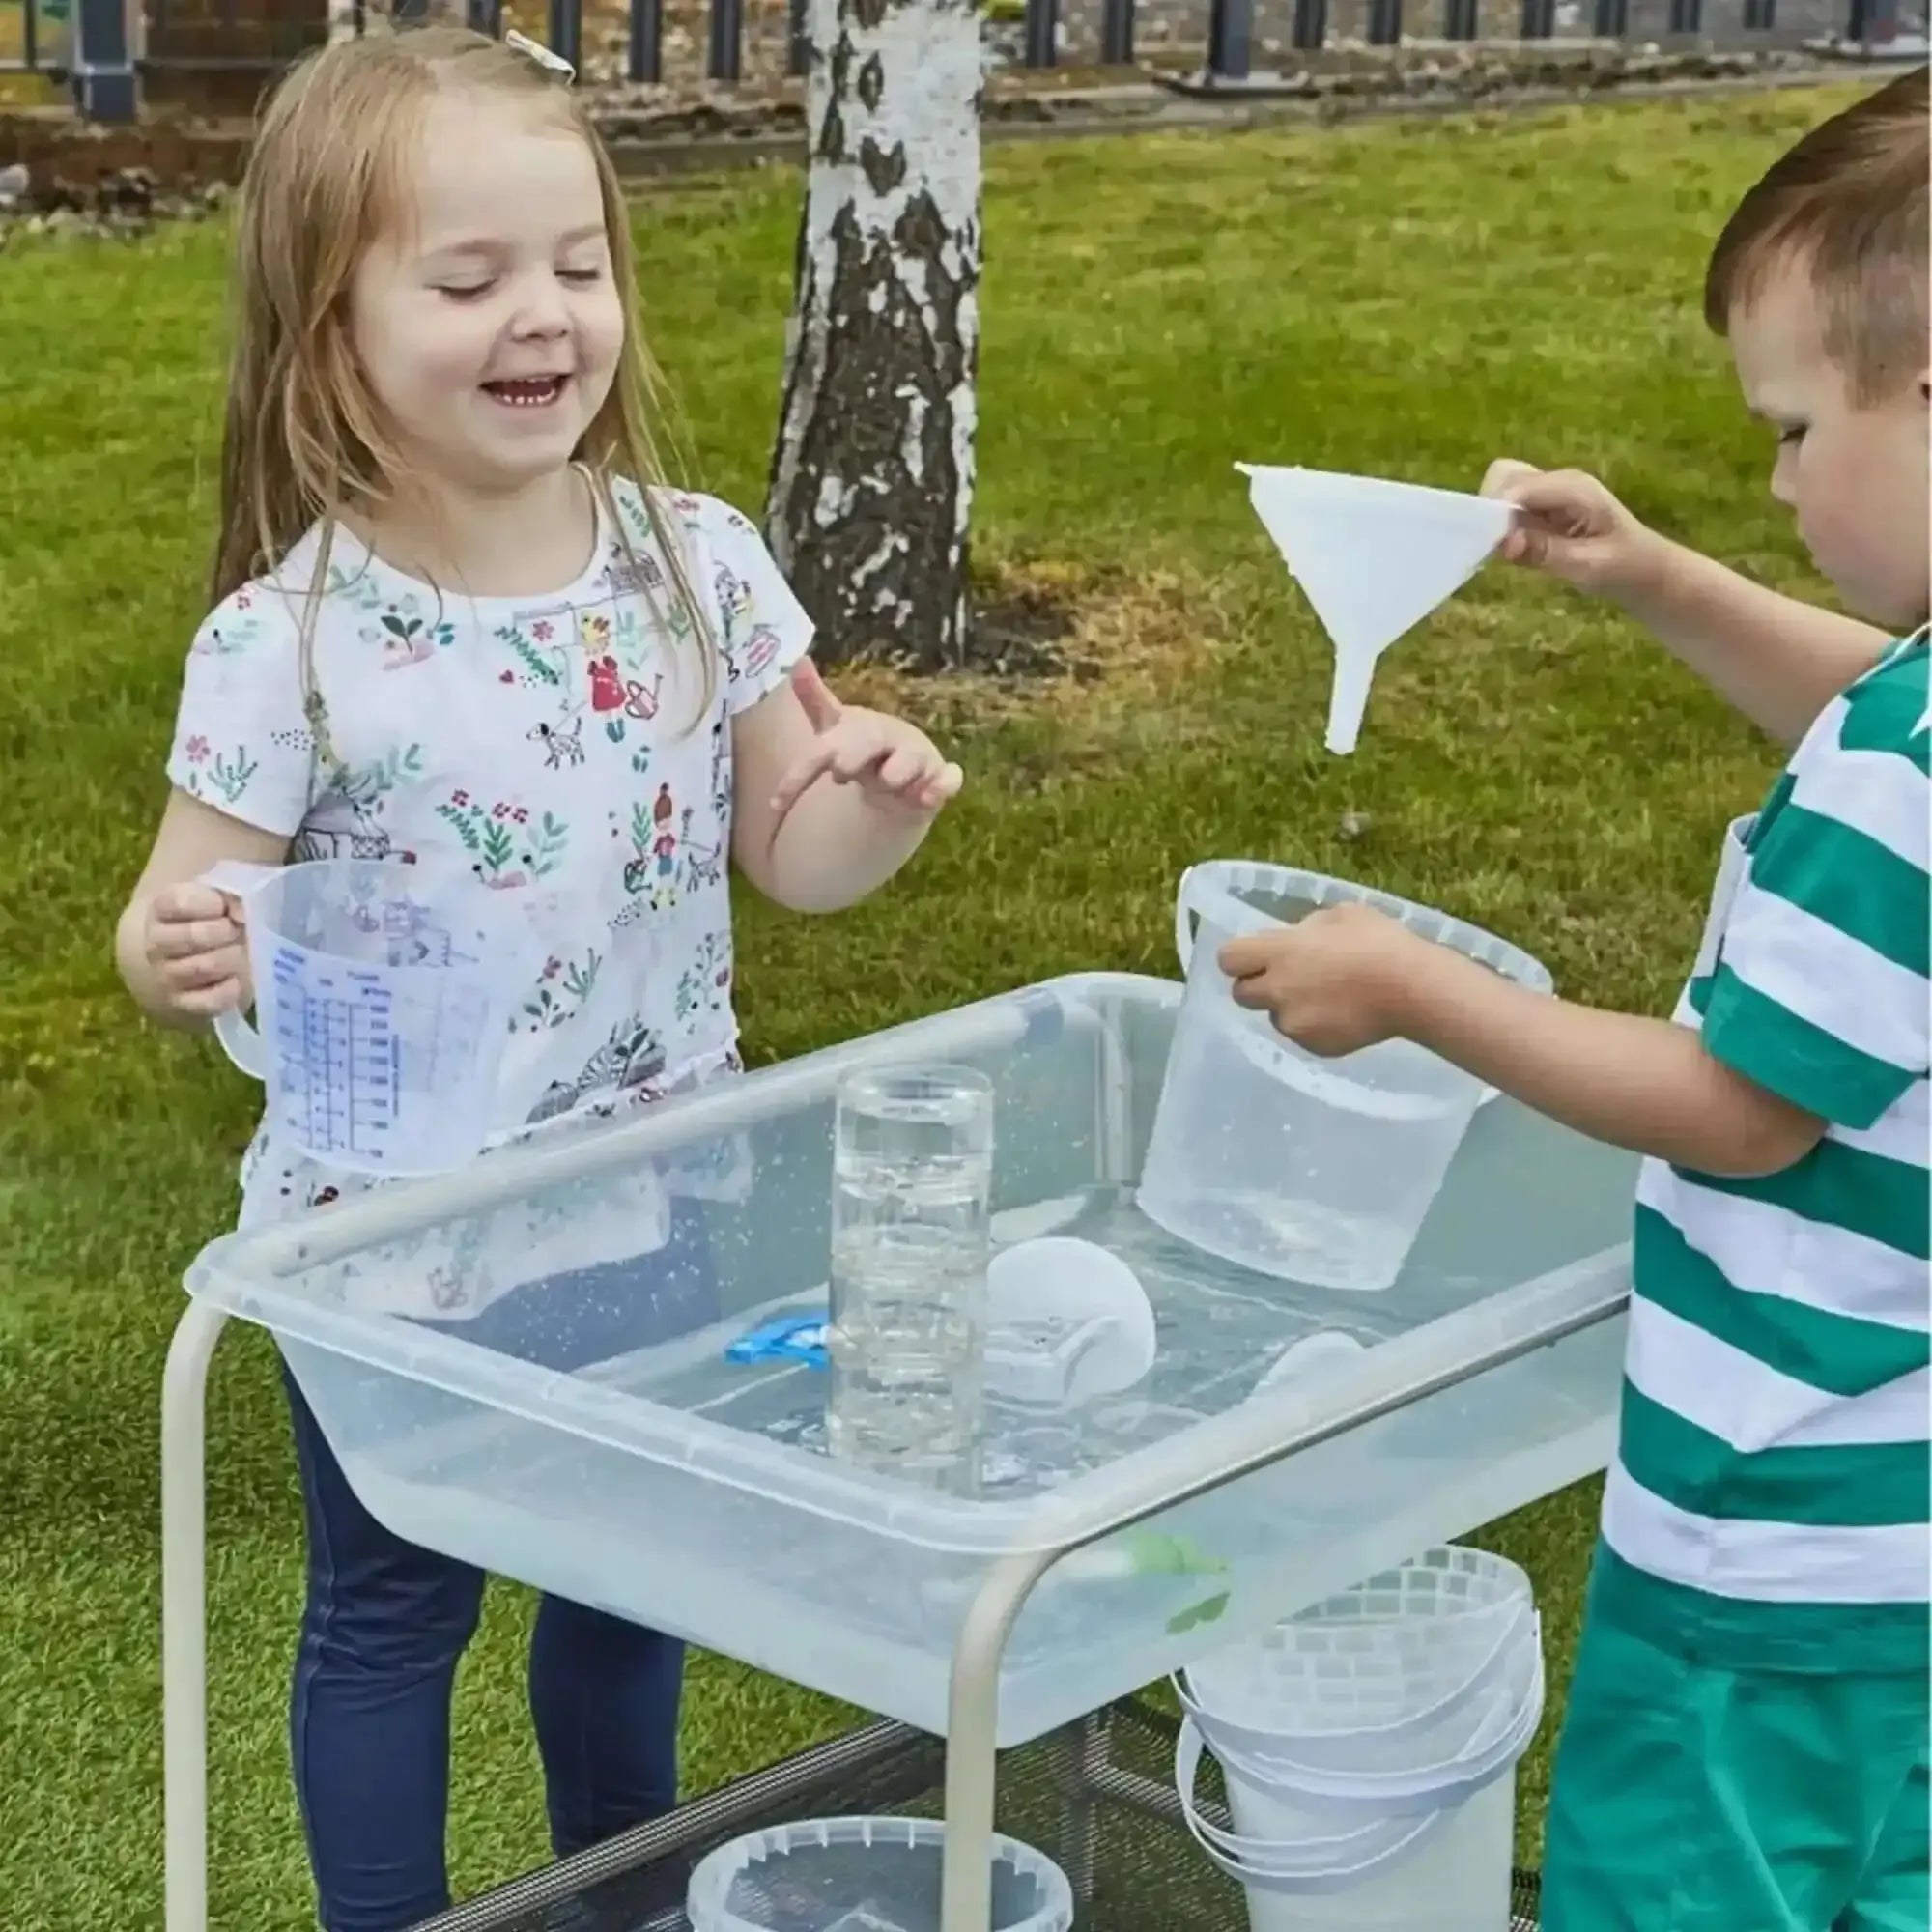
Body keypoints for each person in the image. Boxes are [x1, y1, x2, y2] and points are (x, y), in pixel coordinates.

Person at [113, 25, 962, 1932]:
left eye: (576, 263)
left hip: (655, 1185)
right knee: (392, 1611)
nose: (545, 315)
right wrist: (176, 952)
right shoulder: (289, 639)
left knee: (624, 1587)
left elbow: (791, 855)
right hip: (392, 1243)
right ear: (330, 328)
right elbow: (190, 909)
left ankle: (626, 1902)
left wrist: (874, 802)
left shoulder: (699, 566)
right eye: (472, 275)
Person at [1220, 70, 1928, 1932]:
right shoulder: (1916, 722)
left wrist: (1414, 986)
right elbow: (1871, 697)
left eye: (1792, 429)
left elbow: (1740, 1105)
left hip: (1767, 1545)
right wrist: (1653, 576)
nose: (1774, 480)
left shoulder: (1908, 776)